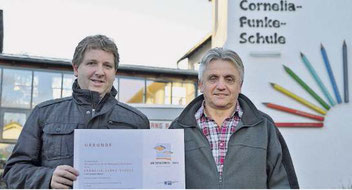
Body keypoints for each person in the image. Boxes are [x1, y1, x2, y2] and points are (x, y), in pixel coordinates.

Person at [3, 34, 150, 189]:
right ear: (75, 68)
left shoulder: (137, 121)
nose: (100, 72)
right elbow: (13, 172)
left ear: (114, 72)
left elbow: (149, 176)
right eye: (92, 63)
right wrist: (48, 178)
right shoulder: (44, 113)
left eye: (107, 65)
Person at [169, 47, 299, 189]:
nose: (221, 86)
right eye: (213, 78)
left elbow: (283, 183)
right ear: (201, 84)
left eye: (229, 79)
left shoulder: (264, 127)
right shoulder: (178, 129)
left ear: (240, 85)